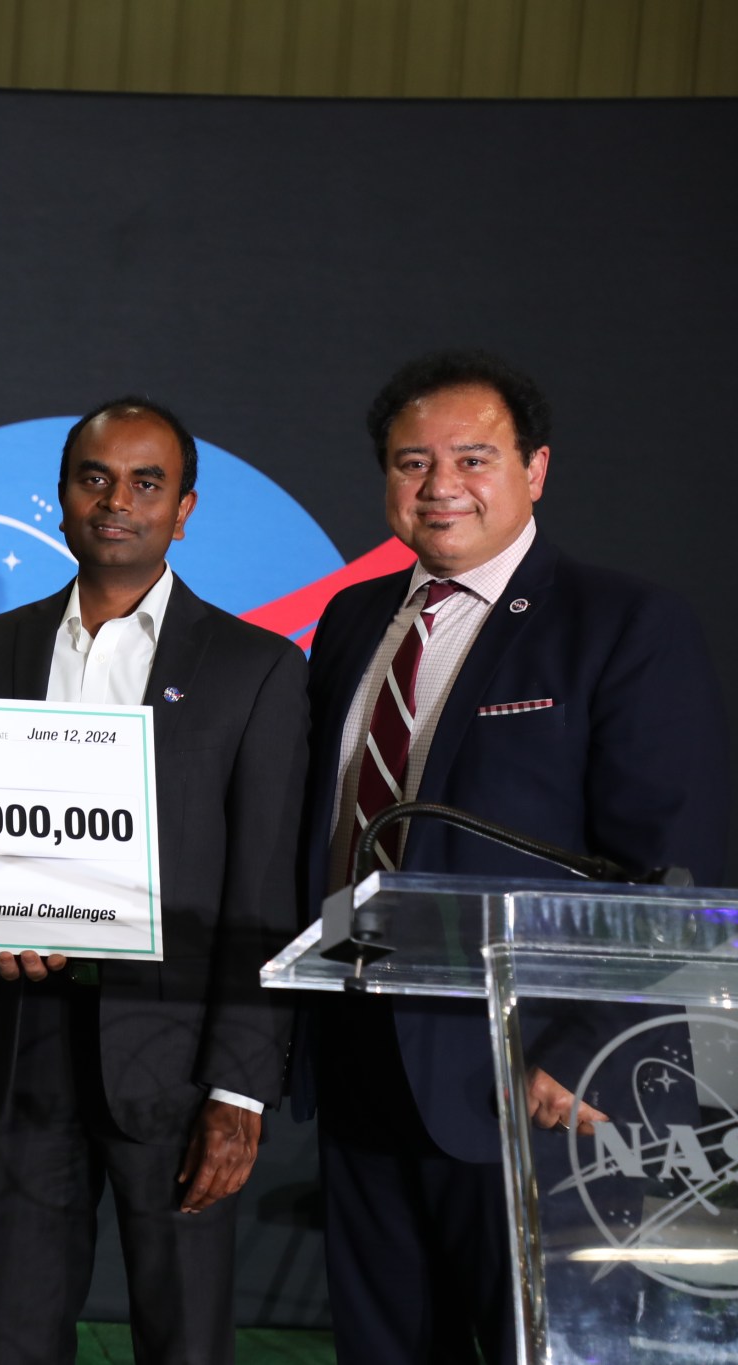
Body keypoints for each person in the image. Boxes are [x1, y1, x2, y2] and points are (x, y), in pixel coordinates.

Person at [295, 350, 729, 1363]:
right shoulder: (354, 619)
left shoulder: (621, 624)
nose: (439, 485)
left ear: (533, 470)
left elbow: (672, 868)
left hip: (530, 1082)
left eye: (472, 458)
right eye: (411, 462)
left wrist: (578, 1051)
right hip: (361, 1060)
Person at [0, 398, 307, 1365]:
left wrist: (240, 1093)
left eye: (146, 482)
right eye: (95, 478)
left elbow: (265, 888)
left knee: (184, 1340)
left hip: (175, 1057)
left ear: (186, 508)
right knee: (14, 1333)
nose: (116, 500)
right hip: (18, 1046)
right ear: (60, 498)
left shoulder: (254, 669)